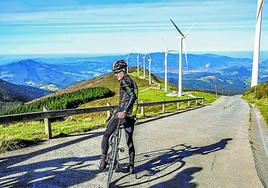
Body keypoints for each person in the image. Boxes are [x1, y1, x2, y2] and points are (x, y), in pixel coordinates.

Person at [99, 59, 138, 174]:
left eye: (117, 72)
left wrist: (123, 111)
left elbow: (133, 96)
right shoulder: (132, 82)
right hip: (131, 115)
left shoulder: (124, 81)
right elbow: (127, 98)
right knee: (129, 140)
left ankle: (103, 160)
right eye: (114, 73)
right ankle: (131, 166)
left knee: (106, 135)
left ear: (123, 71)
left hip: (123, 114)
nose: (115, 75)